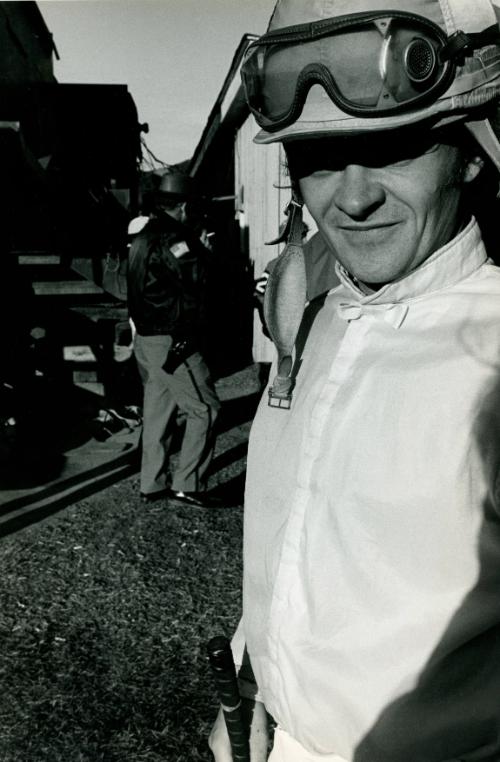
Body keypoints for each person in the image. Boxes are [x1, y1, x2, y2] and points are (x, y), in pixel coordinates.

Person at [209, 0, 500, 759]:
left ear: (471, 151)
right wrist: (255, 689)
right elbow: (287, 541)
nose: (354, 195)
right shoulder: (316, 314)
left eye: (396, 147)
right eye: (316, 157)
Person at [127, 170, 221, 508]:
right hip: (173, 339)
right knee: (205, 409)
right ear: (182, 206)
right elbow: (196, 282)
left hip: (147, 340)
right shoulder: (177, 238)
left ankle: (152, 483)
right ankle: (188, 484)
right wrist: (206, 254)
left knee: (158, 411)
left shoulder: (142, 236)